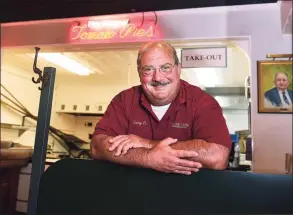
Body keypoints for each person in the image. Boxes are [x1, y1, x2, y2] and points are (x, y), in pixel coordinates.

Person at [90, 41, 232, 175]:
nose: (158, 77)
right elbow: (97, 147)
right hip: (133, 194)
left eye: (165, 68)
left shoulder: (202, 102)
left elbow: (217, 157)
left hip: (187, 195)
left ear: (178, 69)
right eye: (148, 69)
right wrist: (147, 158)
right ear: (140, 73)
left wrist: (147, 144)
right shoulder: (124, 100)